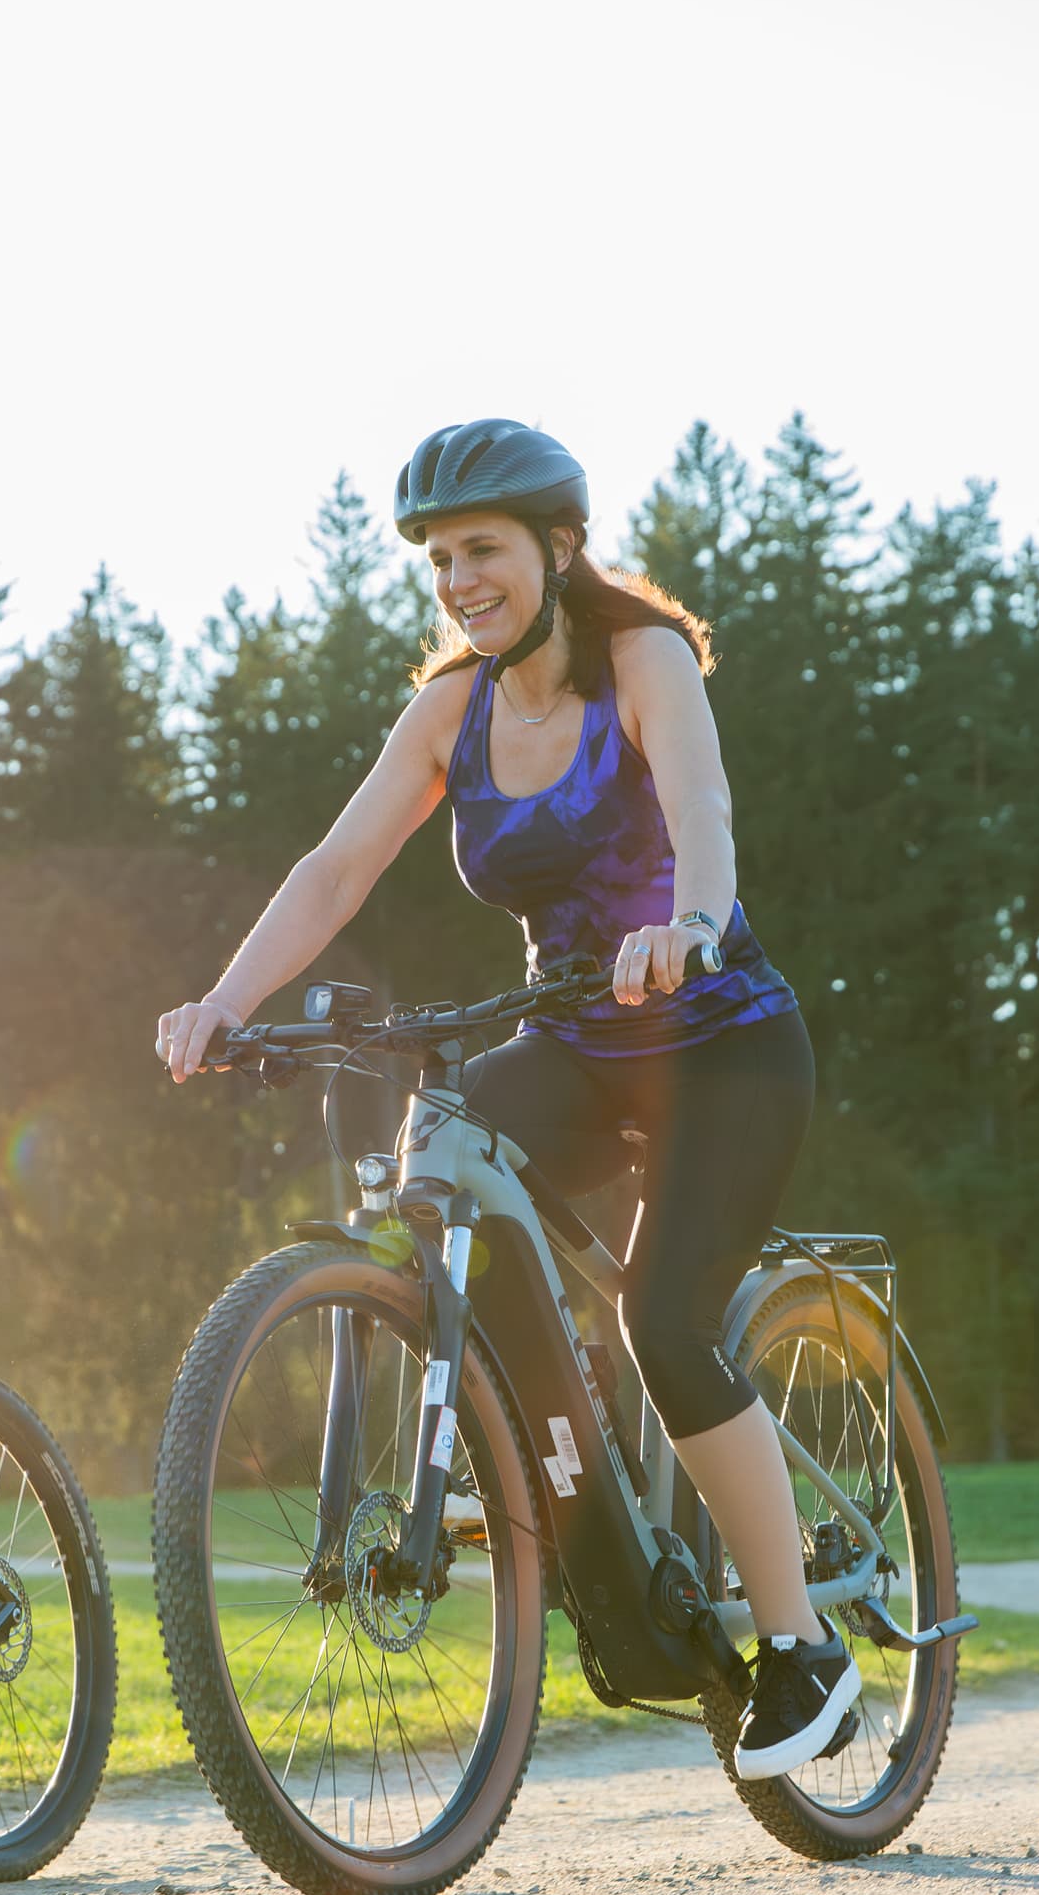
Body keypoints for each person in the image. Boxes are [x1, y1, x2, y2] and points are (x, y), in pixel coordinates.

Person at [155, 421, 858, 1778]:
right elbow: (334, 870)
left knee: (664, 1313)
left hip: (720, 1041)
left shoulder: (642, 662)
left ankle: (802, 1651)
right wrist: (228, 1001)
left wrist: (692, 923)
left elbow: (700, 812)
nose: (458, 578)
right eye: (437, 558)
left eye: (482, 549)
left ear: (559, 547)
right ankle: (535, 1435)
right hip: (582, 1042)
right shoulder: (450, 712)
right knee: (445, 1143)